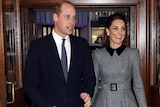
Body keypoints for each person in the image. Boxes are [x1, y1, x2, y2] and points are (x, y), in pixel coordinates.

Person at [24, 1, 96, 107]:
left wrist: (87, 93)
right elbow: (30, 85)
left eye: (74, 17)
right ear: (55, 17)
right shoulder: (38, 47)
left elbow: (90, 78)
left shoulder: (82, 45)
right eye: (67, 17)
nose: (72, 22)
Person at [91, 13, 147, 107]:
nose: (120, 33)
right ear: (108, 31)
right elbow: (94, 85)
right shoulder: (98, 55)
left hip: (126, 101)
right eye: (115, 28)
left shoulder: (132, 54)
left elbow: (138, 86)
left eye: (123, 29)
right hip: (104, 101)